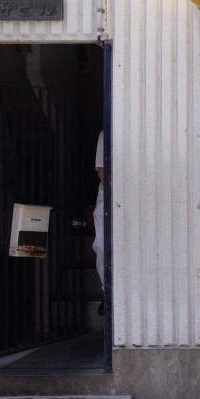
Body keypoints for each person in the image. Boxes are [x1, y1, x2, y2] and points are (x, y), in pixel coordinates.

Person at [93, 130, 105, 315]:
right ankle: (107, 291)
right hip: (110, 193)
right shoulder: (105, 134)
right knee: (102, 244)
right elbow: (102, 171)